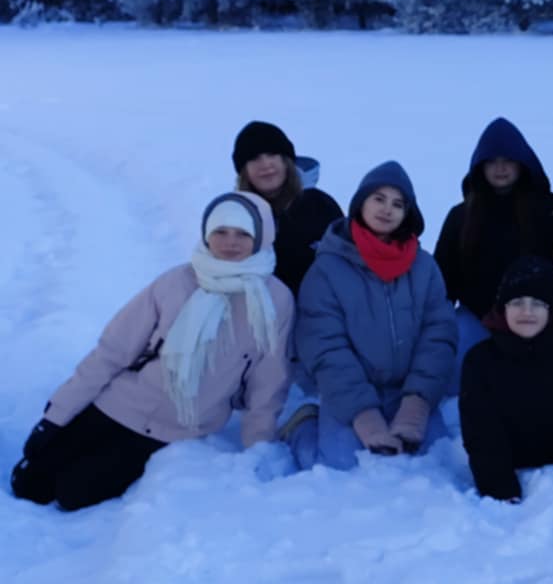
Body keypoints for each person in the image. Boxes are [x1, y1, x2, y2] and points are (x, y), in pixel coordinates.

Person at [11, 192, 292, 511]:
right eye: (221, 231)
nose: (230, 242)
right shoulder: (176, 282)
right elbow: (111, 353)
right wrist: (55, 418)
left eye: (243, 233)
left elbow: (268, 383)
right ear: (206, 235)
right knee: (28, 485)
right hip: (118, 404)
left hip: (174, 429)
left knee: (73, 494)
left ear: (261, 238)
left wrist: (257, 449)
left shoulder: (275, 300)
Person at [292, 160, 458, 468]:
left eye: (397, 204)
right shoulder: (327, 269)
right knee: (339, 464)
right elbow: (325, 346)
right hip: (349, 392)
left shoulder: (423, 266)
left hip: (407, 391)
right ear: (361, 203)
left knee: (435, 458)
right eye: (378, 199)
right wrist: (364, 416)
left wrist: (416, 404)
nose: (387, 210)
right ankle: (302, 425)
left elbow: (438, 335)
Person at [459, 256, 553, 505]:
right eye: (517, 302)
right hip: (508, 463)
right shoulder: (480, 362)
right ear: (503, 308)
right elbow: (481, 432)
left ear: (552, 310)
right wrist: (499, 488)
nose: (527, 312)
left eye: (537, 303)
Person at [435, 118, 553, 368]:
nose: (500, 168)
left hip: (541, 319)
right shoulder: (461, 216)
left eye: (508, 159)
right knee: (455, 351)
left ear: (522, 162)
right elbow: (442, 282)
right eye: (491, 161)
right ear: (480, 166)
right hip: (477, 321)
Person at [231, 119, 342, 296]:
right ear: (244, 171)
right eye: (254, 158)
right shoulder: (235, 216)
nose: (265, 164)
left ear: (286, 161)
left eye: (272, 154)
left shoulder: (320, 206)